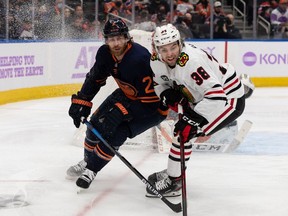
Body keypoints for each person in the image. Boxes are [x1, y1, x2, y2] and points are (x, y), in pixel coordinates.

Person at [146, 23, 246, 197]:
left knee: (184, 134)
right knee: (183, 134)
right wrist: (166, 94)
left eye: (173, 47)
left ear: (180, 43)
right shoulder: (155, 61)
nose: (170, 54)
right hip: (200, 98)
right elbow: (158, 84)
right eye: (164, 49)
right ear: (156, 50)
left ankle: (175, 181)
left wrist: (192, 119)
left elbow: (216, 96)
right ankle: (175, 171)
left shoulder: (191, 62)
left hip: (228, 99)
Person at [66, 18, 167, 189]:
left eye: (120, 38)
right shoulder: (105, 54)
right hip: (127, 94)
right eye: (112, 39)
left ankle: (92, 169)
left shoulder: (140, 59)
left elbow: (152, 100)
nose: (116, 43)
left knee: (117, 133)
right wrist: (82, 100)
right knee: (95, 126)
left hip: (153, 107)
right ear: (106, 40)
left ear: (127, 37)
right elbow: (95, 78)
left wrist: (122, 112)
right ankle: (87, 160)